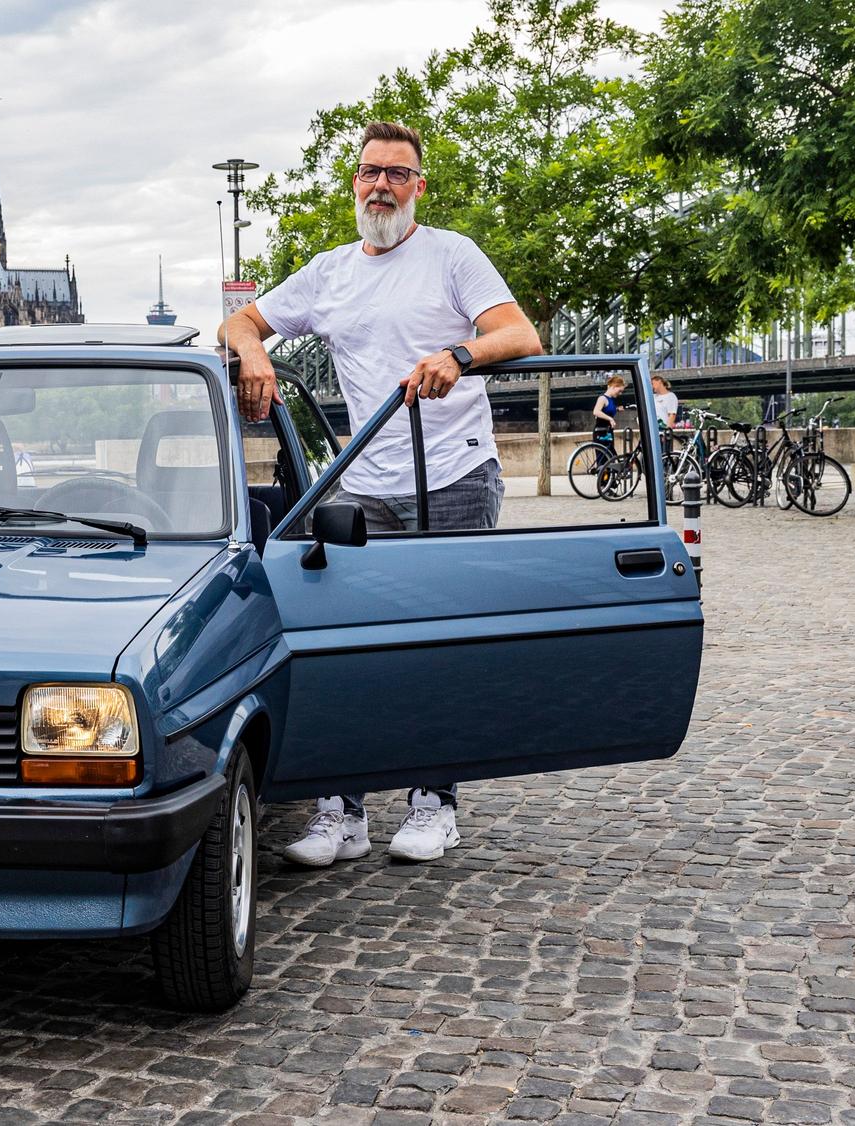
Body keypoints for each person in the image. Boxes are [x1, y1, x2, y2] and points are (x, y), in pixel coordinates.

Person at [218, 119, 541, 866]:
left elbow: (519, 333)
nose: (382, 186)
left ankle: (434, 801)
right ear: (354, 183)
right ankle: (345, 811)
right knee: (351, 649)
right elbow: (240, 318)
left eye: (398, 174)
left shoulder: (453, 256)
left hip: (454, 476)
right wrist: (253, 349)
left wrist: (460, 354)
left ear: (418, 187)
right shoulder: (329, 272)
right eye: (371, 172)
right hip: (362, 484)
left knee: (439, 645)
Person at [592, 376, 625, 445]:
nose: (620, 394)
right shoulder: (602, 398)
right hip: (601, 433)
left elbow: (606, 410)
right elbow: (596, 412)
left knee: (610, 455)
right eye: (620, 391)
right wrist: (610, 419)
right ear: (613, 386)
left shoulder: (611, 400)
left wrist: (617, 409)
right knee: (607, 455)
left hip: (608, 432)